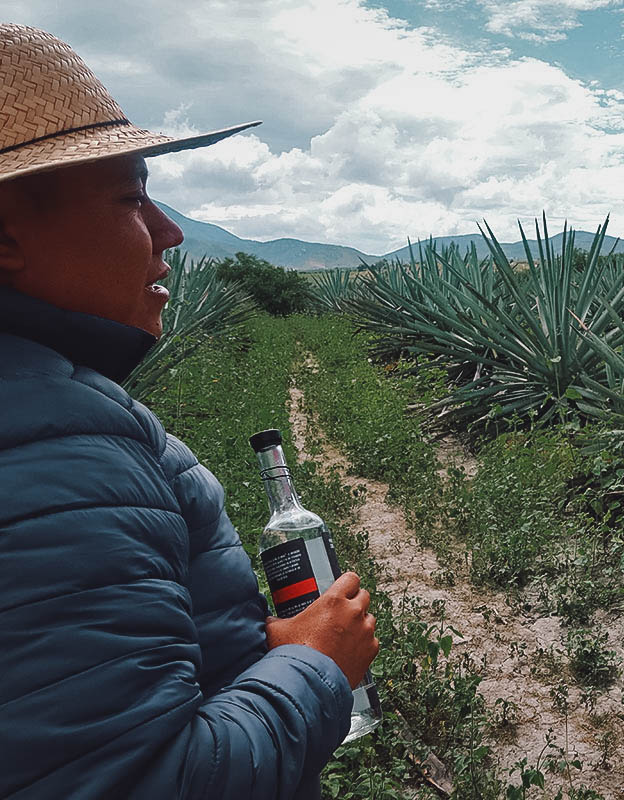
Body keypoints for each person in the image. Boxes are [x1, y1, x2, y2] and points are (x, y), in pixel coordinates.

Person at [0, 24, 378, 799]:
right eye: (132, 195)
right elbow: (143, 779)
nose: (169, 230)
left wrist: (249, 650)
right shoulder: (55, 455)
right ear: (6, 237)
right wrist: (316, 665)